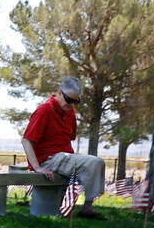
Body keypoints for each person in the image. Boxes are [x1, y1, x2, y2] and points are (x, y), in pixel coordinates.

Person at [21, 76, 106, 218]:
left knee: (98, 163)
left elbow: (69, 139)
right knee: (95, 162)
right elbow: (26, 141)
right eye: (69, 100)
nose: (72, 105)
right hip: (48, 160)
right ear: (59, 93)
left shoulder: (70, 112)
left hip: (62, 158)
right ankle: (85, 209)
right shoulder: (44, 110)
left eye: (76, 101)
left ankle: (87, 208)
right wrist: (37, 167)